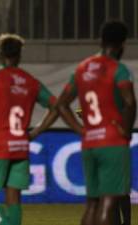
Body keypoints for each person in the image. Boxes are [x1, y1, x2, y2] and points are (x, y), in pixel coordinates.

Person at [0, 33, 58, 225]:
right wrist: (35, 132)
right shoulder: (31, 81)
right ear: (19, 56)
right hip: (21, 146)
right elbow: (56, 107)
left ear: (1, 55)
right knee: (14, 197)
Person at [57, 21, 136, 225]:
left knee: (92, 203)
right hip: (112, 141)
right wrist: (125, 131)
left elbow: (61, 104)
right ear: (122, 44)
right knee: (109, 202)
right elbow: (129, 102)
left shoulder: (82, 68)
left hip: (89, 142)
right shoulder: (119, 69)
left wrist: (81, 130)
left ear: (101, 41)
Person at [76, 108, 131, 225]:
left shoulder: (88, 96)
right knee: (115, 194)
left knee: (96, 200)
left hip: (93, 147)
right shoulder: (110, 103)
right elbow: (129, 105)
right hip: (112, 146)